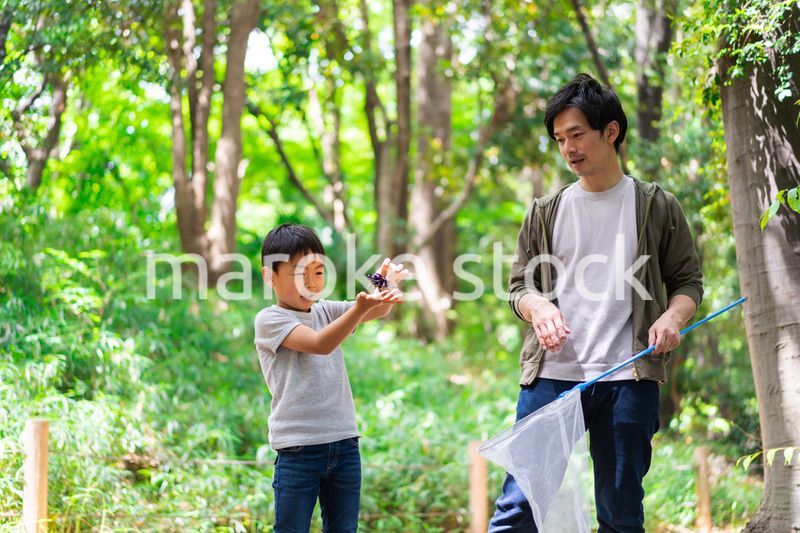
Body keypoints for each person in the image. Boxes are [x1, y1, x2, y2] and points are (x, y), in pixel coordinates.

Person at [489, 73, 703, 532]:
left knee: (621, 514)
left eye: (577, 134)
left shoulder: (657, 206)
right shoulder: (545, 211)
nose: (568, 148)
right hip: (551, 377)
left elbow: (688, 282)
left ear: (611, 131)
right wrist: (539, 308)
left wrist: (671, 316)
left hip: (629, 376)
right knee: (517, 508)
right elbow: (518, 289)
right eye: (559, 139)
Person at [254, 223, 407, 533]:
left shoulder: (326, 310)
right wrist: (359, 309)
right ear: (270, 276)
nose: (310, 283)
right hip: (298, 449)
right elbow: (320, 344)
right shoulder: (271, 319)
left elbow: (377, 310)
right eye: (299, 274)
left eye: (319, 273)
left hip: (344, 443)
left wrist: (383, 284)